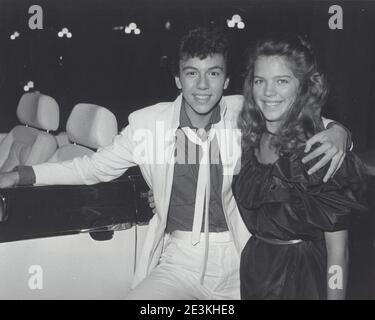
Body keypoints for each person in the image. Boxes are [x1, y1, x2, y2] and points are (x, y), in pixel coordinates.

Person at [0, 26, 350, 300]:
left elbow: (298, 115)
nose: (202, 85)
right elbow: (90, 167)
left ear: (226, 81)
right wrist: (23, 174)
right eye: (191, 73)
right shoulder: (147, 125)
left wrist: (340, 133)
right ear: (177, 79)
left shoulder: (245, 112)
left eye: (213, 74)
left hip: (244, 258)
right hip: (180, 259)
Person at [232, 33, 367, 300]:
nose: (268, 92)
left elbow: (338, 253)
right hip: (255, 273)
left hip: (302, 278)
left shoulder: (321, 151)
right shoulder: (248, 139)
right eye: (260, 81)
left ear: (303, 87)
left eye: (282, 81)